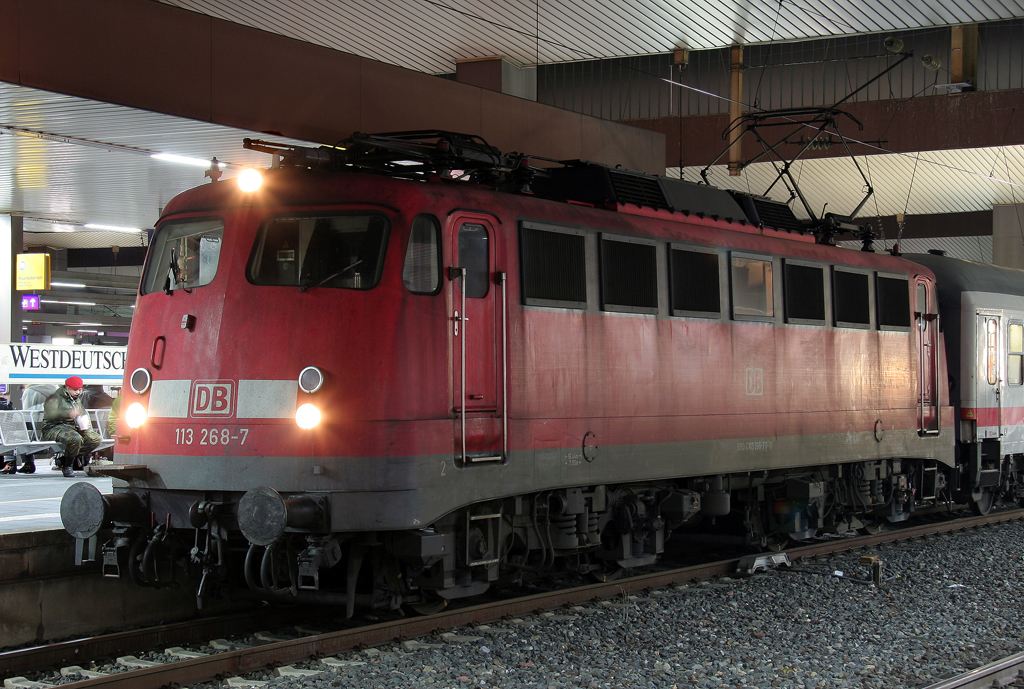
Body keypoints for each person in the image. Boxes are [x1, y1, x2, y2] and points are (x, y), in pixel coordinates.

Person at [42, 376, 101, 478]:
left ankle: (68, 457)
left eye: (79, 389)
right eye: (75, 390)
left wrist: (84, 421)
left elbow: (81, 412)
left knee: (95, 439)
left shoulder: (76, 399)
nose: (78, 392)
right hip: (54, 427)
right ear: (67, 387)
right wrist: (68, 413)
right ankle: (67, 465)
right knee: (75, 439)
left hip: (73, 426)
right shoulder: (54, 398)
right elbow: (50, 414)